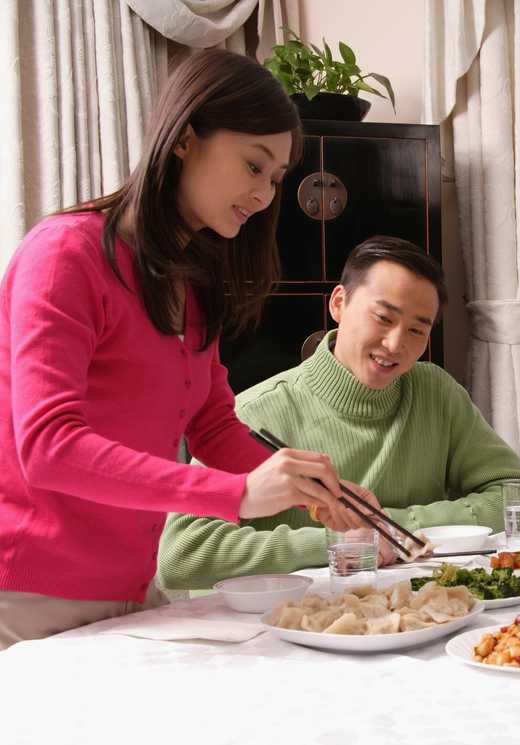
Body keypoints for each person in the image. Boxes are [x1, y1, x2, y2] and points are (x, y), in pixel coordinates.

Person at [0, 50, 375, 650]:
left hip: (130, 587)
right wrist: (236, 495)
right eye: (254, 165)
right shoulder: (64, 256)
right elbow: (48, 447)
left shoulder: (188, 280)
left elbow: (212, 425)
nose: (262, 195)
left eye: (274, 178)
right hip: (27, 596)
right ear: (184, 139)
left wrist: (311, 485)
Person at [158, 236, 520, 591]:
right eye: (384, 318)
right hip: (289, 626)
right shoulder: (255, 414)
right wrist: (338, 543)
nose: (395, 344)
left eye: (418, 330)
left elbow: (517, 497)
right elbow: (181, 556)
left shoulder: (435, 392)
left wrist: (393, 528)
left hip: (418, 611)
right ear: (339, 303)